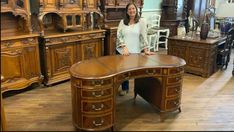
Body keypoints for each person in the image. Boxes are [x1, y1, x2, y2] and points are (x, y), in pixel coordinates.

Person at [116, 2, 155, 96]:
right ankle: (125, 88)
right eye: (129, 9)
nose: (131, 11)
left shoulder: (141, 21)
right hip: (123, 51)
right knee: (124, 72)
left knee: (136, 72)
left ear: (136, 10)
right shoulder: (123, 22)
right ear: (127, 11)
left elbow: (143, 36)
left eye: (133, 8)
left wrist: (146, 50)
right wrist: (124, 47)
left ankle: (139, 90)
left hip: (135, 51)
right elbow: (119, 35)